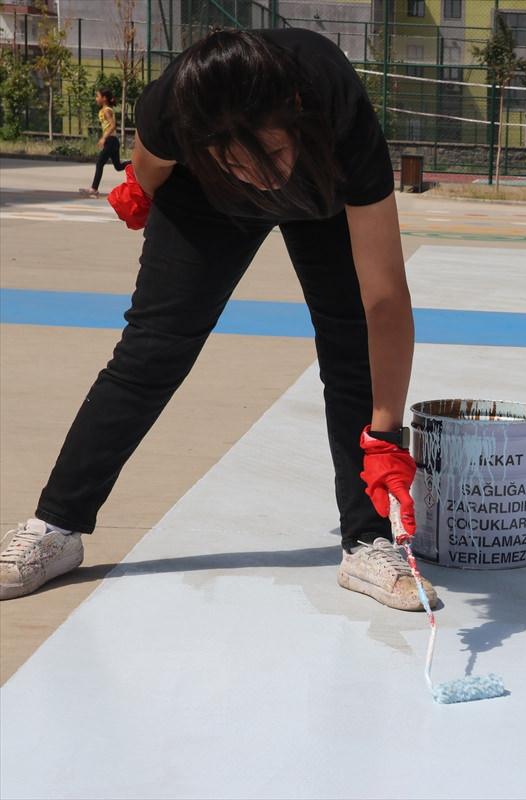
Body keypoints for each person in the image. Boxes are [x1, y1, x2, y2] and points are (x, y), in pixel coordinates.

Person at [1, 28, 436, 611]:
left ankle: (366, 542)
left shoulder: (335, 106)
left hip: (321, 194)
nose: (262, 175)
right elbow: (149, 162)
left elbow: (384, 296)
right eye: (239, 160)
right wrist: (138, 191)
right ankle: (56, 526)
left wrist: (383, 434)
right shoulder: (175, 106)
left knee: (350, 342)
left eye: (271, 153)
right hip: (208, 199)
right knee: (152, 348)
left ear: (296, 114)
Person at [79, 88, 130, 198]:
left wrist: (103, 138)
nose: (96, 98)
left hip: (111, 141)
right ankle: (135, 163)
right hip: (112, 141)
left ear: (104, 98)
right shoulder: (104, 110)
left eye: (98, 96)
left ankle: (94, 189)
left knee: (99, 163)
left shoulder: (106, 110)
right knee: (118, 166)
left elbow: (113, 126)